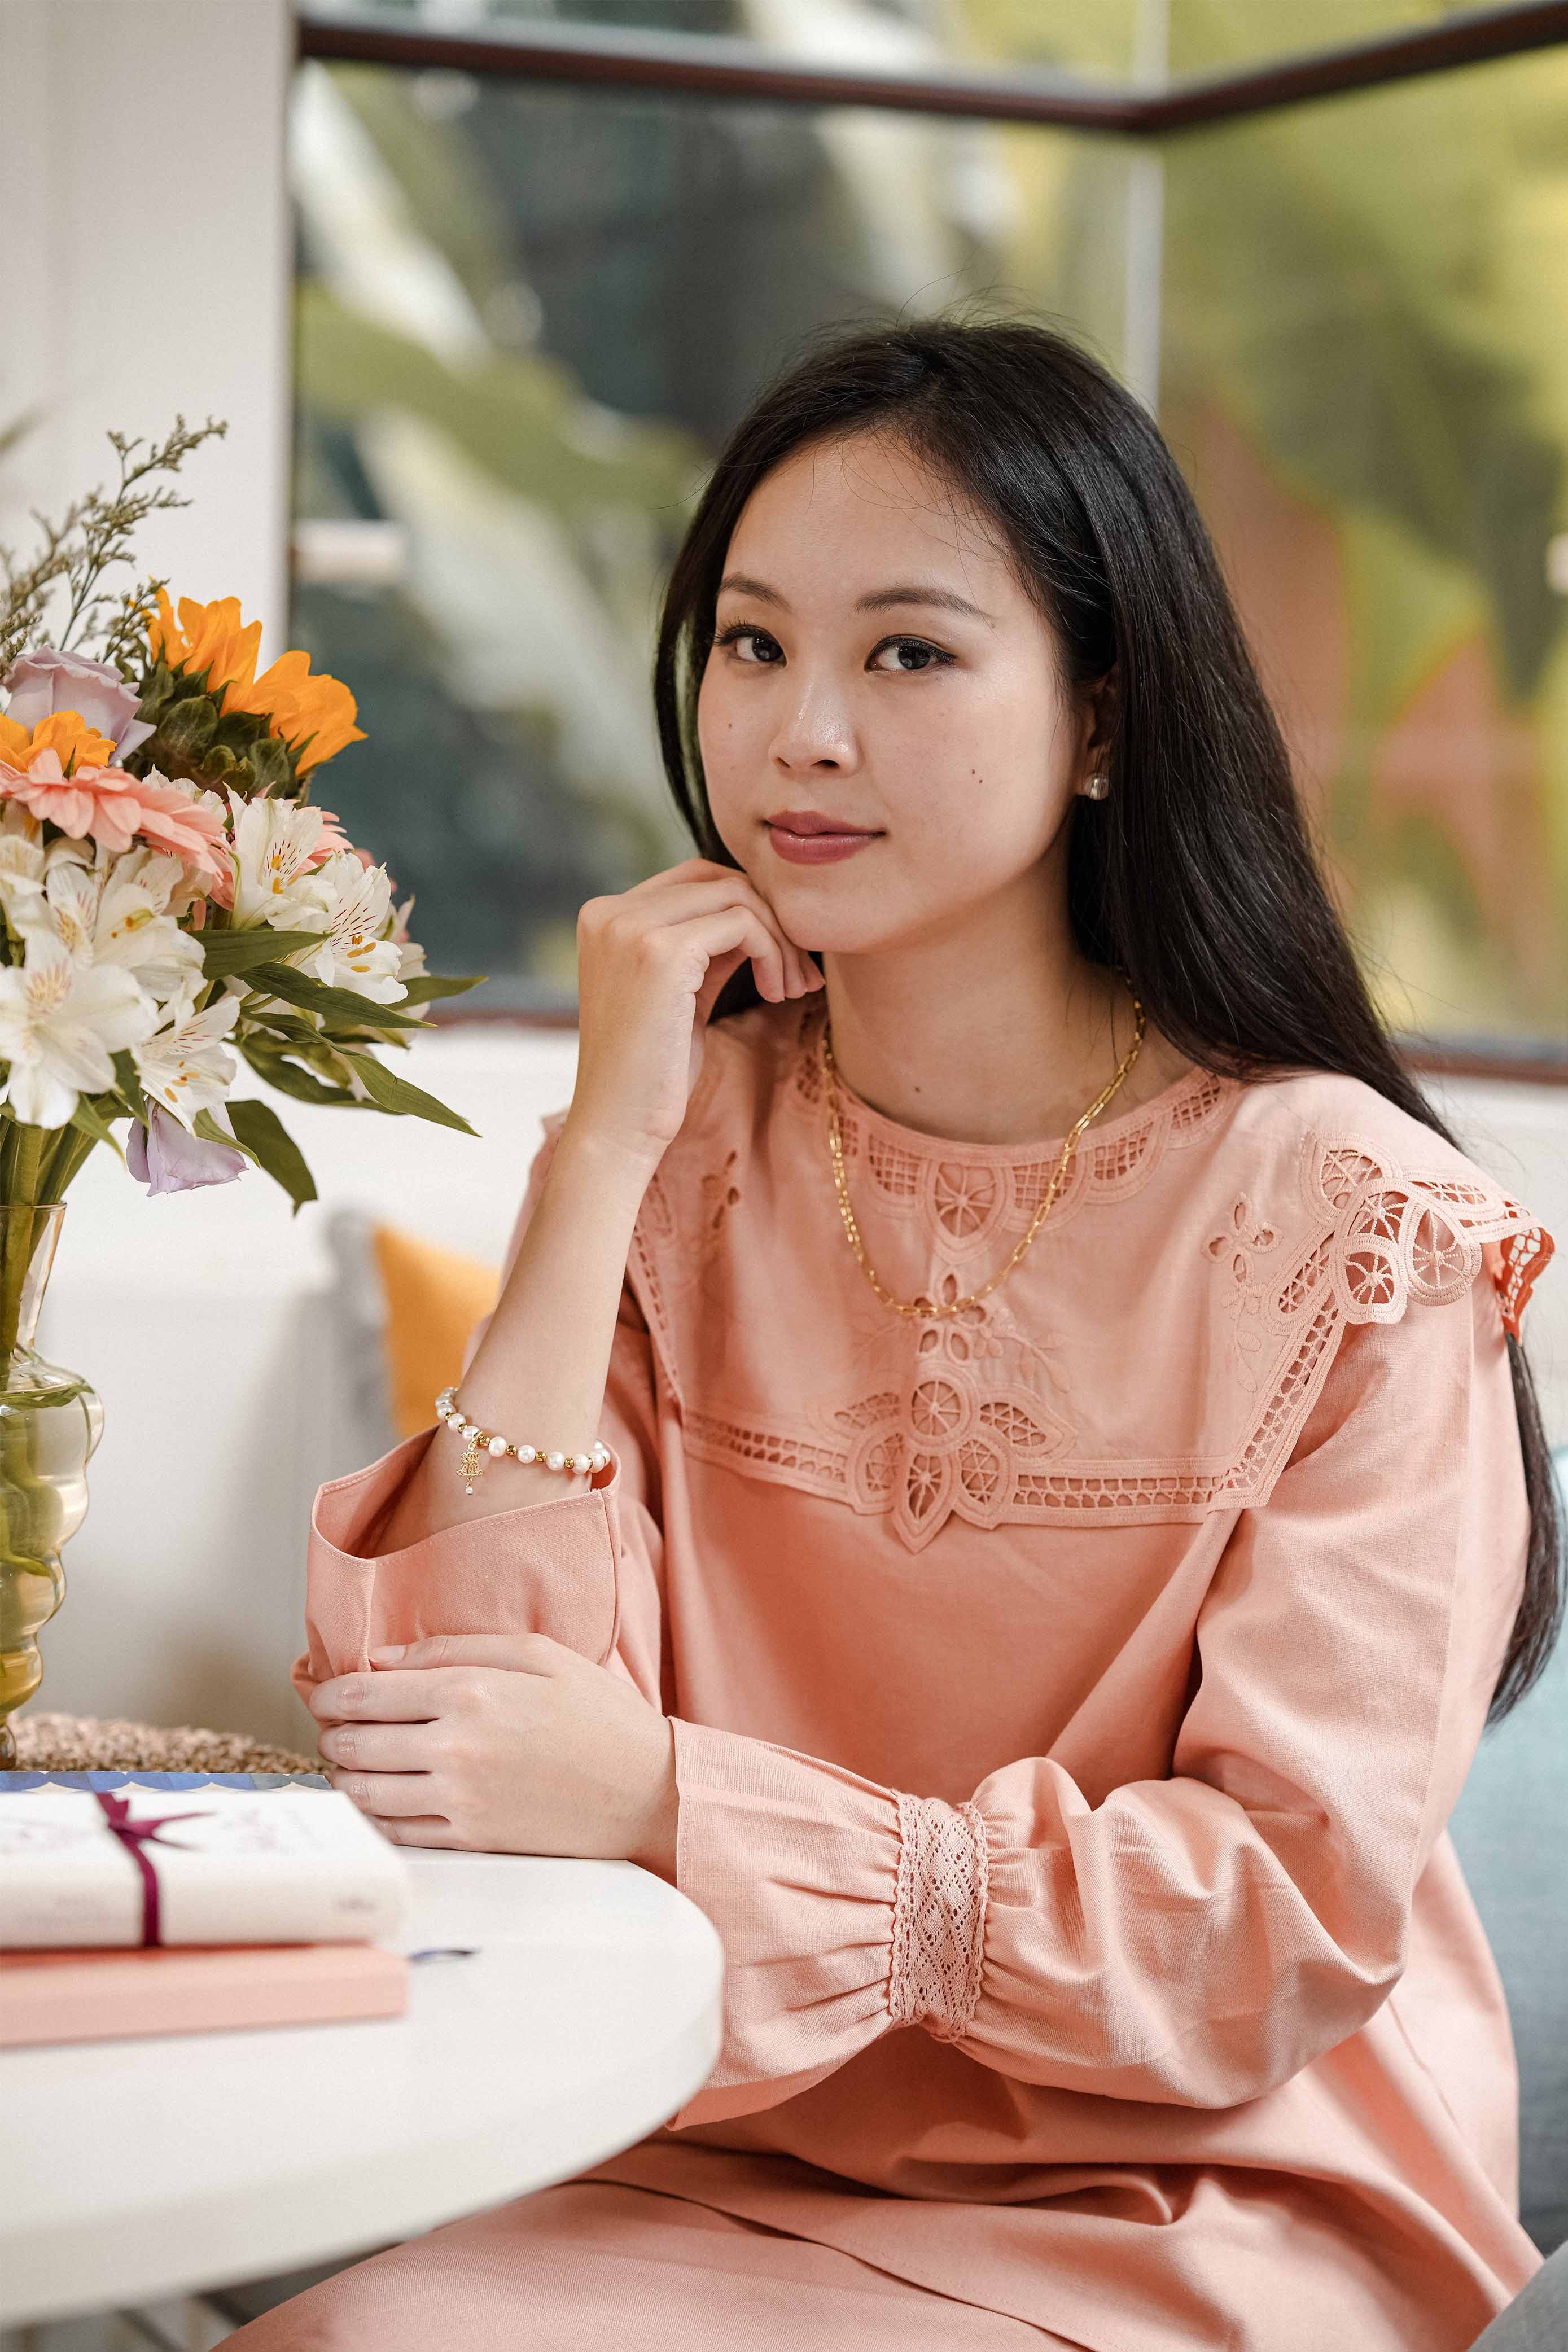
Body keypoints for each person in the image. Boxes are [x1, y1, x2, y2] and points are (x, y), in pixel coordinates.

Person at [227, 314, 1560, 2351]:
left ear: (1102, 718)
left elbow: (1261, 1937)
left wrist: (674, 1799)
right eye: (752, 645)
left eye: (907, 653)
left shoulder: (1356, 1231)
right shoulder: (686, 1145)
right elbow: (460, 1738)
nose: (799, 735)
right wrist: (595, 1149)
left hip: (1206, 2189)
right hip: (687, 2137)